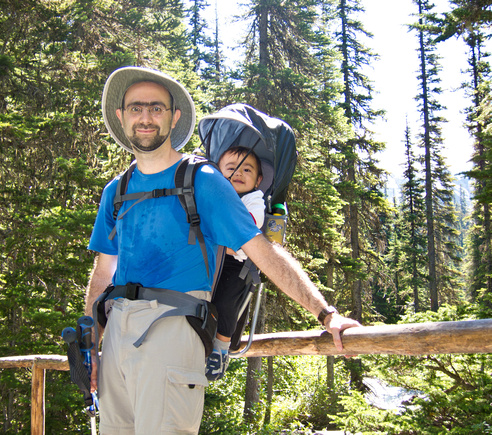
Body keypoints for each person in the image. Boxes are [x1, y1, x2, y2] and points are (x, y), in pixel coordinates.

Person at [84, 66, 361, 435]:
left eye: (156, 108)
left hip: (173, 326)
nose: (145, 117)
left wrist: (326, 315)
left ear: (174, 117)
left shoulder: (203, 180)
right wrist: (91, 346)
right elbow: (103, 274)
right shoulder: (115, 191)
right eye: (136, 108)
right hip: (116, 331)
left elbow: (261, 251)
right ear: (121, 117)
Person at [206, 146, 266, 381]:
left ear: (258, 180)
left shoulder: (254, 201)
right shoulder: (212, 196)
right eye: (231, 169)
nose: (238, 174)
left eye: (247, 170)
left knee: (225, 299)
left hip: (235, 262)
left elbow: (241, 234)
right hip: (210, 257)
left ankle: (220, 348)